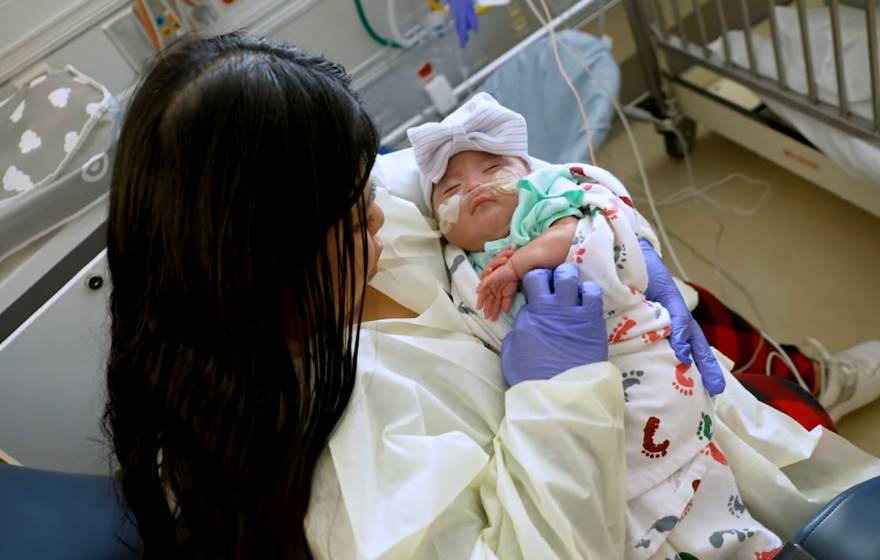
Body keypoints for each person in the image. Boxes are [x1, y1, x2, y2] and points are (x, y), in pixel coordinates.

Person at [105, 33, 880, 559]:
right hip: (640, 506)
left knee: (700, 318)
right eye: (349, 215)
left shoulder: (361, 228)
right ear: (260, 265)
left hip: (658, 401)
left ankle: (804, 380)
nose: (376, 210)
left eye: (360, 186)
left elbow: (474, 172)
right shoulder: (344, 475)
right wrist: (556, 398)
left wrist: (608, 217)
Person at [409, 94, 785, 558]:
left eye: (491, 170)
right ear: (440, 229)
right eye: (449, 191)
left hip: (638, 359)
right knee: (630, 512)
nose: (474, 188)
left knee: (703, 496)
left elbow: (583, 228)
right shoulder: (457, 271)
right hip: (576, 415)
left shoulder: (541, 210)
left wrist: (522, 261)